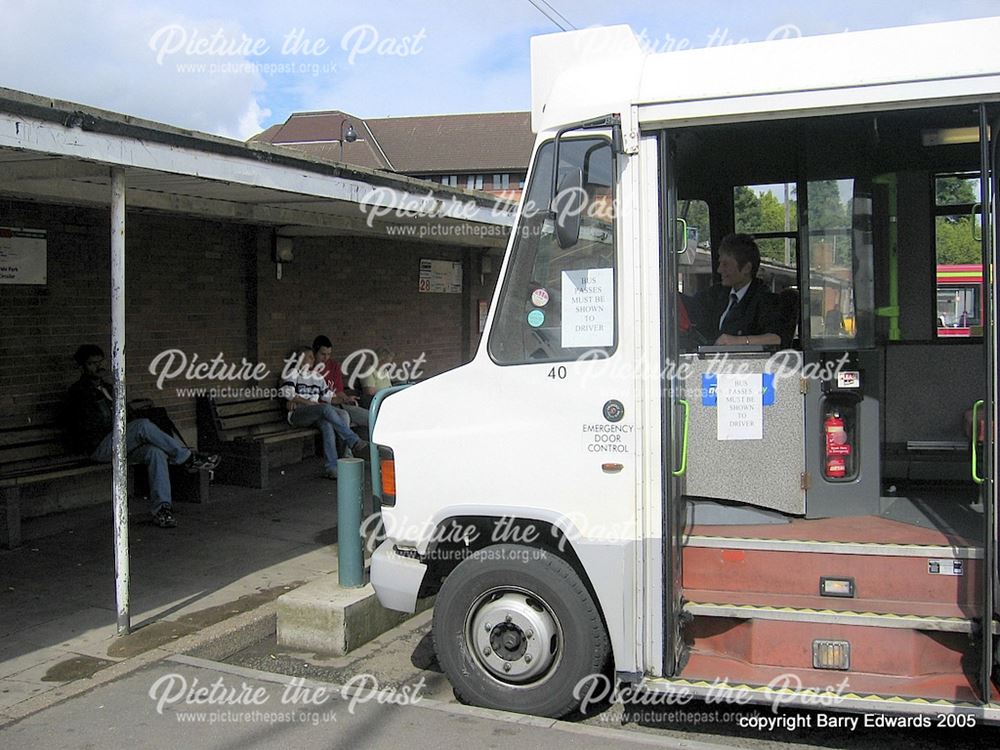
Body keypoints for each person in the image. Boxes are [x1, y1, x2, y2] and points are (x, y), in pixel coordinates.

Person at [65, 344, 219, 529]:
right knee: (142, 426)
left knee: (155, 452)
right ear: (82, 366)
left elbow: (128, 415)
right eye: (91, 364)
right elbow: (88, 427)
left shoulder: (108, 388)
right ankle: (187, 457)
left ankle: (162, 510)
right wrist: (121, 422)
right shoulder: (78, 393)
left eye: (100, 362)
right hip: (99, 446)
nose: (98, 367)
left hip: (120, 443)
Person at [280, 346, 369, 480]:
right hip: (299, 414)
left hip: (317, 413)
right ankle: (353, 440)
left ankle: (332, 468)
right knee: (325, 409)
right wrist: (308, 403)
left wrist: (345, 399)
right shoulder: (293, 372)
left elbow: (329, 397)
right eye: (309, 356)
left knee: (329, 423)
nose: (312, 359)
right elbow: (288, 393)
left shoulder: (317, 376)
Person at [689, 233, 785, 347]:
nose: (719, 270)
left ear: (746, 268)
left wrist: (736, 341)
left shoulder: (765, 299)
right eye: (720, 263)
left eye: (726, 264)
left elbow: (775, 338)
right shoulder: (716, 294)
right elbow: (691, 305)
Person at [312, 335, 370, 431]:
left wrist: (347, 399)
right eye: (323, 354)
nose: (326, 358)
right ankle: (348, 446)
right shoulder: (308, 369)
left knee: (369, 417)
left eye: (329, 354)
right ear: (314, 352)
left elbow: (338, 391)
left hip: (339, 403)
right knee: (344, 418)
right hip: (322, 408)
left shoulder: (333, 365)